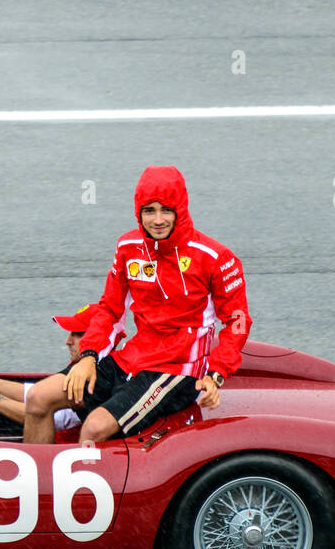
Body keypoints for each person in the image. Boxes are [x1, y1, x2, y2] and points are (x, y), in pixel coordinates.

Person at [24, 165, 252, 444]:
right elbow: (109, 309)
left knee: (94, 429)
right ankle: (42, 486)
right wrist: (88, 356)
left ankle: (83, 485)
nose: (158, 220)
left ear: (180, 209)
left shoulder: (216, 257)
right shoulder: (127, 247)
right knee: (37, 399)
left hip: (178, 369)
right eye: (149, 210)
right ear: (138, 212)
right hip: (132, 357)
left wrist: (215, 375)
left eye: (166, 210)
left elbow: (237, 322)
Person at [0, 304, 124, 436]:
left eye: (77, 334)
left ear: (98, 338)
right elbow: (32, 394)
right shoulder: (84, 367)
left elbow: (39, 416)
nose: (68, 341)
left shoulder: (93, 379)